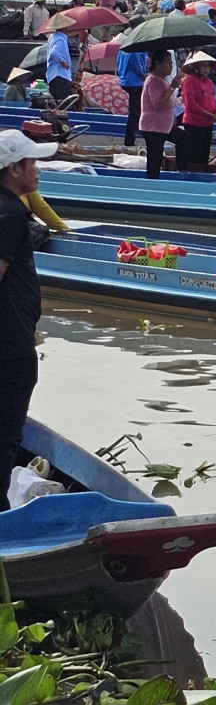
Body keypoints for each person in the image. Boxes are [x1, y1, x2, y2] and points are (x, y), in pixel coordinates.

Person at [0, 128, 56, 498]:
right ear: (14, 169)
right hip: (9, 345)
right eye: (32, 162)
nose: (37, 169)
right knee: (5, 436)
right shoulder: (9, 214)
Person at [177, 51, 216, 173]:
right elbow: (191, 105)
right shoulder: (189, 80)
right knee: (194, 157)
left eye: (208, 66)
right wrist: (211, 115)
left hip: (208, 124)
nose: (206, 69)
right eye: (203, 66)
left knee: (204, 156)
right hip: (194, 124)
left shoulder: (209, 82)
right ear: (196, 67)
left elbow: (213, 101)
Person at [137, 50, 178, 178]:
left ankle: (180, 168)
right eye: (167, 63)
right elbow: (158, 103)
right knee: (155, 158)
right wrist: (172, 87)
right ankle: (152, 182)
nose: (170, 66)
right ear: (157, 64)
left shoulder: (162, 80)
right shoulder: (153, 80)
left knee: (183, 138)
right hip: (153, 127)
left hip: (163, 126)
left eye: (171, 63)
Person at [116, 36, 149, 148]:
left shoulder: (124, 46)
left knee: (135, 111)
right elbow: (137, 66)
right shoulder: (136, 46)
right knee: (135, 112)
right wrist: (145, 77)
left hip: (126, 81)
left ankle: (133, 137)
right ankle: (129, 140)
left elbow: (118, 63)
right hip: (135, 82)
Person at [44, 24, 77, 106]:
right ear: (63, 27)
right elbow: (54, 53)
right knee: (62, 104)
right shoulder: (61, 39)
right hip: (61, 75)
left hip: (53, 75)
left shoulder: (53, 37)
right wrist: (62, 61)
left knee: (55, 103)